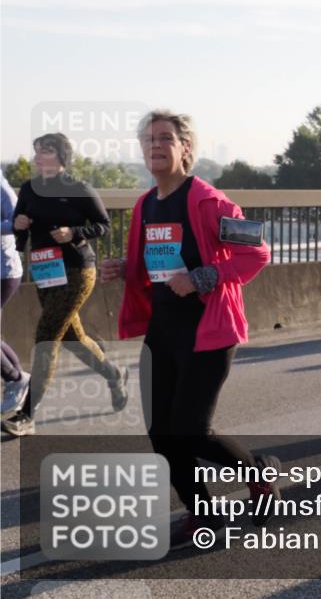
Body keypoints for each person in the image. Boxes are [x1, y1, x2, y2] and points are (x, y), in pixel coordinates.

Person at [100, 110, 279, 550]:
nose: (155, 145)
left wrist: (202, 277)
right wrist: (125, 268)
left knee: (191, 430)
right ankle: (202, 514)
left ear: (185, 148)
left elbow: (257, 253)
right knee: (162, 433)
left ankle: (259, 473)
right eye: (148, 139)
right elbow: (154, 266)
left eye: (165, 138)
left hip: (209, 329)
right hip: (163, 331)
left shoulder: (210, 202)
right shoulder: (145, 204)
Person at [3, 134, 128, 437]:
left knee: (47, 336)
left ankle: (27, 414)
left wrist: (73, 232)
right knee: (73, 338)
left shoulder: (78, 189)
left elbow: (103, 224)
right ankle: (114, 375)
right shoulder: (31, 189)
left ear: (60, 156)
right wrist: (19, 228)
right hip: (46, 272)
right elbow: (20, 229)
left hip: (77, 271)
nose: (37, 158)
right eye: (36, 152)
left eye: (44, 152)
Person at [1, 171, 30, 421]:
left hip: (4, 271)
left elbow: (18, 221)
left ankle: (15, 378)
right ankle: (18, 379)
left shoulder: (1, 187)